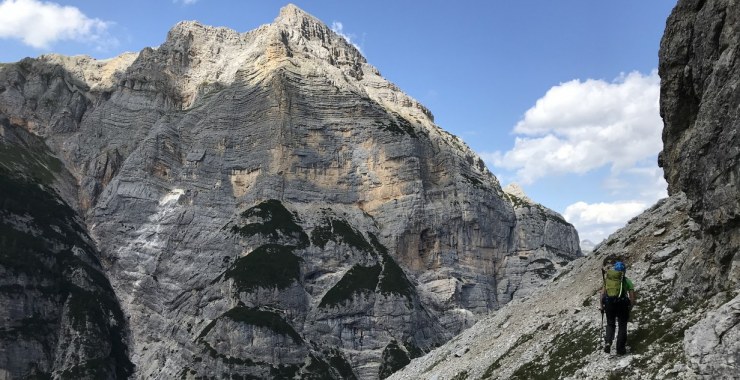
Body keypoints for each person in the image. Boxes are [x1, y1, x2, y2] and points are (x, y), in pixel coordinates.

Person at [601, 260, 636, 355]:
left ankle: (608, 342)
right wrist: (631, 306)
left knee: (610, 324)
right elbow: (632, 296)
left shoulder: (609, 280)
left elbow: (602, 294)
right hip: (622, 305)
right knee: (622, 326)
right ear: (624, 271)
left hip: (609, 304)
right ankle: (620, 349)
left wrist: (602, 306)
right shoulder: (627, 281)